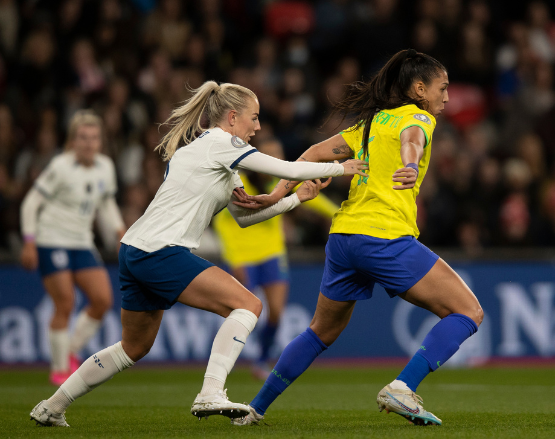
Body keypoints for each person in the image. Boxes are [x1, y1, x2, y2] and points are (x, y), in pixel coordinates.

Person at [29, 81, 367, 427]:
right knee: (248, 305)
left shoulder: (211, 154)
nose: (258, 126)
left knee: (133, 346)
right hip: (161, 250)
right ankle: (210, 392)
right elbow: (289, 169)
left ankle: (51, 406)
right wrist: (342, 168)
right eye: (254, 117)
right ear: (233, 117)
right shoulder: (223, 144)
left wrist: (297, 199)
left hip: (136, 248)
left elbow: (246, 217)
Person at [232, 49, 483, 427]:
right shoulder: (419, 116)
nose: (446, 97)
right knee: (468, 311)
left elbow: (314, 153)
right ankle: (403, 386)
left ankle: (255, 409)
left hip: (344, 236)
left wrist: (276, 193)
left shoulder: (371, 123)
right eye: (442, 88)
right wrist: (411, 164)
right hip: (383, 237)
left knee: (321, 330)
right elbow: (412, 139)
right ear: (419, 89)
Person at [212, 136, 338, 380]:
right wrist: (234, 257)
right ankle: (222, 361)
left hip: (272, 253)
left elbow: (313, 197)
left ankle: (260, 361)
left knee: (277, 313)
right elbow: (222, 223)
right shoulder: (238, 184)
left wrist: (337, 213)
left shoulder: (280, 182)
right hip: (243, 256)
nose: (276, 160)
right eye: (270, 156)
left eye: (278, 155)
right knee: (244, 312)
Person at [20, 110, 125, 386]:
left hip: (81, 242)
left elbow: (105, 204)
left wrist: (118, 231)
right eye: (83, 138)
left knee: (103, 300)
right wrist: (29, 241)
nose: (89, 143)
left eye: (94, 138)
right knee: (64, 303)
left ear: (100, 141)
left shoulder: (105, 166)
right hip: (51, 239)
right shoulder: (61, 166)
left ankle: (70, 352)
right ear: (73, 141)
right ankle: (58, 369)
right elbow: (31, 203)